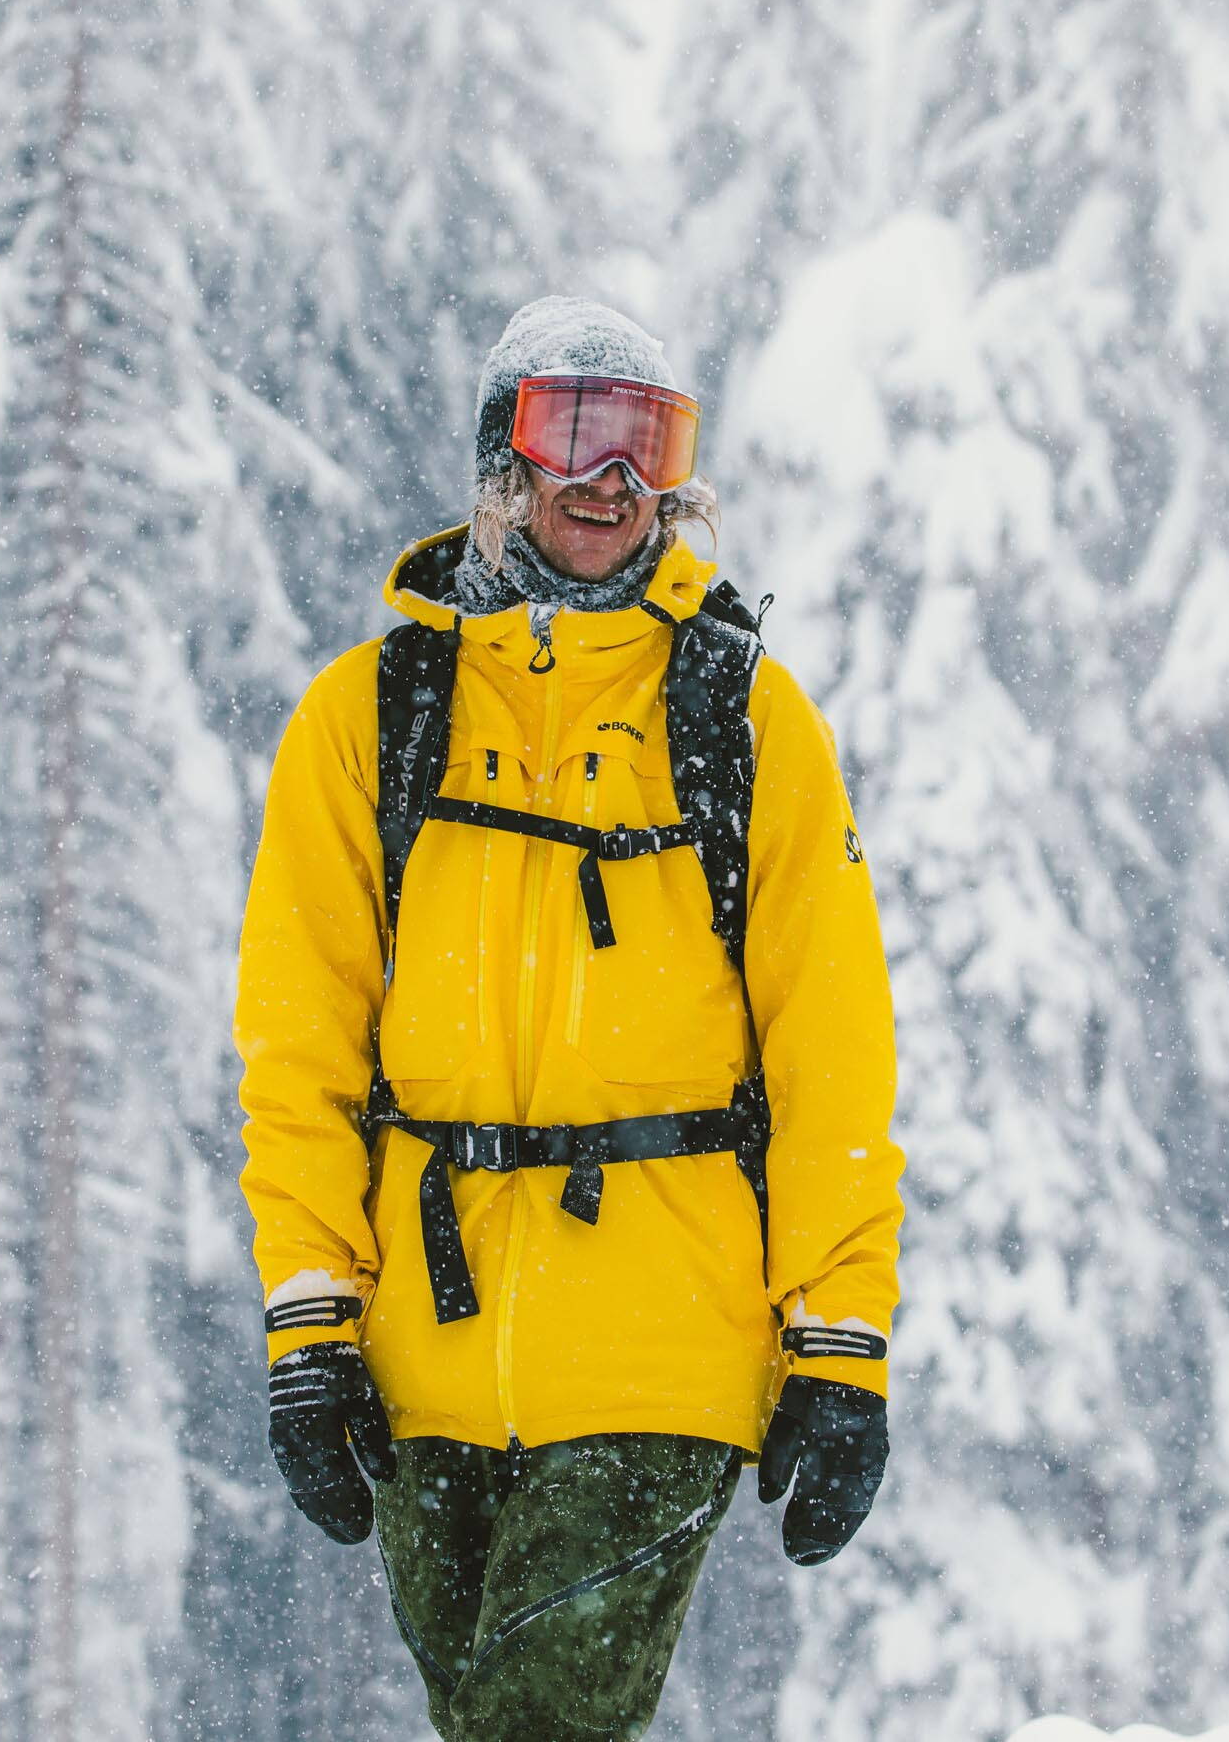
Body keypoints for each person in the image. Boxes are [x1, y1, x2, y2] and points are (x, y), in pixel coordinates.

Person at [235, 296, 903, 1742]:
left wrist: (839, 1336)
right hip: (426, 1350)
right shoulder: (374, 719)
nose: (614, 481)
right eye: (577, 433)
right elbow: (301, 1051)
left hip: (666, 1341)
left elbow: (829, 1046)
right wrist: (311, 1323)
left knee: (537, 1723)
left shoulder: (742, 719)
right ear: (502, 461)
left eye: (650, 447)